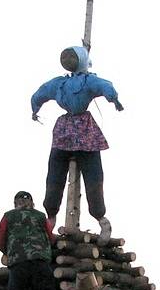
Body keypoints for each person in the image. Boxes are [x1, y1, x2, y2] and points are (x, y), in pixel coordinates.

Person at [31, 45, 124, 245]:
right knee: (63, 174)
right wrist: (113, 98)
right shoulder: (71, 83)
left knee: (89, 176)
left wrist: (113, 98)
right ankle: (54, 216)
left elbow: (39, 94)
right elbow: (104, 85)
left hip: (75, 131)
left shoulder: (71, 83)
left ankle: (98, 217)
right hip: (75, 130)